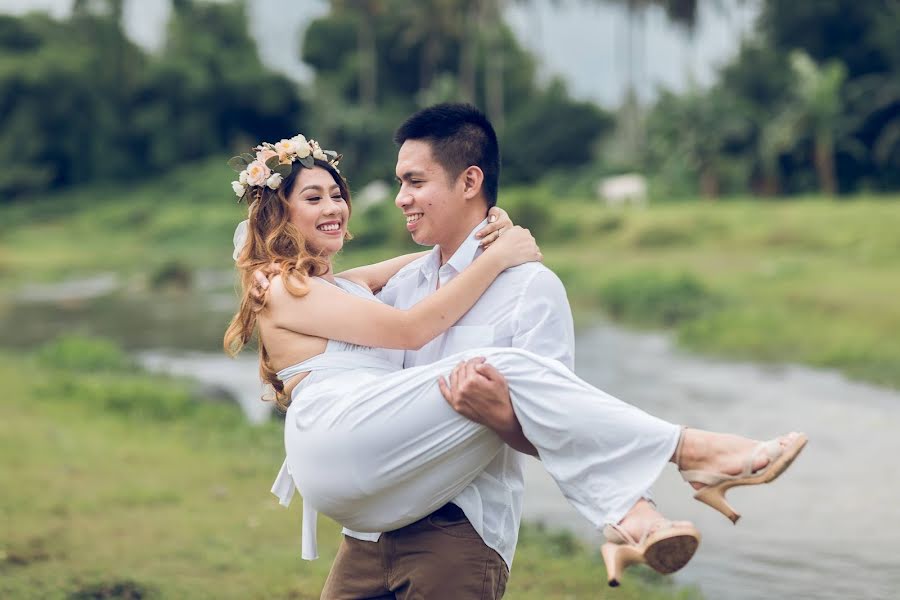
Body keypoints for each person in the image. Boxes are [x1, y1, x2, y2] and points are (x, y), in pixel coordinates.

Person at [225, 108, 807, 596]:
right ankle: (673, 470)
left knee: (504, 377)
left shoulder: (529, 288)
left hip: (456, 532)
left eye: (415, 182)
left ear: (469, 182)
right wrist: (497, 252)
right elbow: (410, 325)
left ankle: (638, 515)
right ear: (279, 212)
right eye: (397, 182)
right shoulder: (387, 293)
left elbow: (559, 428)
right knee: (501, 369)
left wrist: (499, 410)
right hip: (370, 522)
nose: (397, 198)